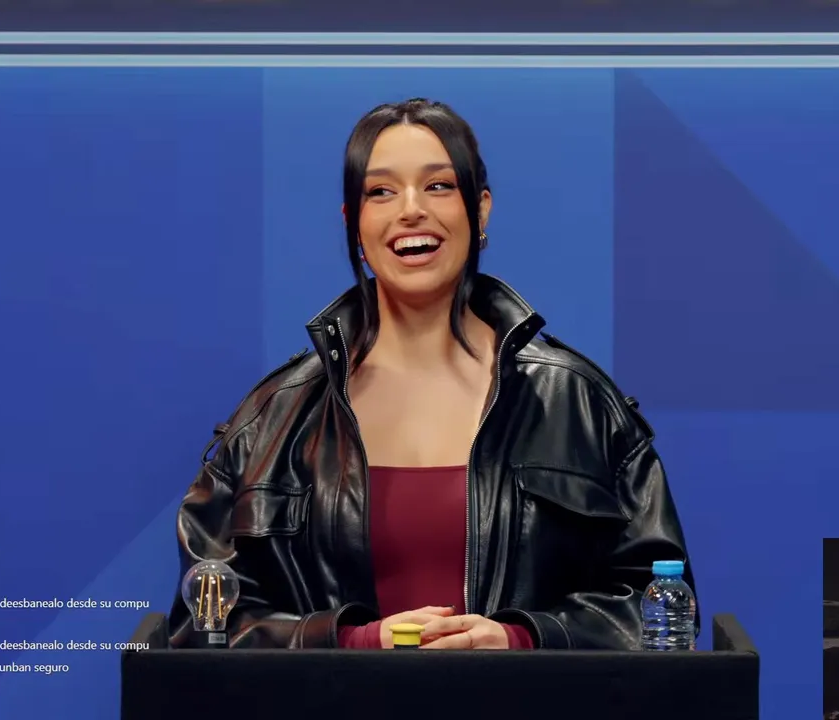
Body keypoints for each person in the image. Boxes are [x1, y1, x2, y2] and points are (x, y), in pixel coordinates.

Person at [167, 98, 696, 650]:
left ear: (480, 209)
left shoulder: (579, 402)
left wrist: (520, 640)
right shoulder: (274, 417)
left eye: (439, 186)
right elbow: (203, 621)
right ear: (353, 222)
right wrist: (354, 644)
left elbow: (658, 606)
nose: (411, 210)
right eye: (380, 191)